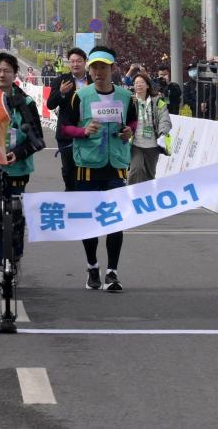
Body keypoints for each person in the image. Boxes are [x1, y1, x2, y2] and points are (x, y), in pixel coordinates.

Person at [61, 45, 136, 292]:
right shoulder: (80, 96)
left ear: (112, 69)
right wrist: (83, 131)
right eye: (94, 68)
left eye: (103, 67)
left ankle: (112, 272)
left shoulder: (125, 96)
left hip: (116, 165)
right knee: (90, 221)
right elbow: (64, 127)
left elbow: (133, 121)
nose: (98, 72)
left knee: (115, 220)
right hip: (87, 166)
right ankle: (92, 266)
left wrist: (129, 131)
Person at [0, 52, 45, 288]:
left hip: (18, 170)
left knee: (16, 218)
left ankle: (15, 259)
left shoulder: (26, 103)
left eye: (6, 70)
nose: (1, 74)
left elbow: (37, 139)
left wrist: (17, 153)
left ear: (14, 74)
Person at [47, 47, 90, 191]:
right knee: (69, 169)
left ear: (85, 62)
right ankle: (70, 194)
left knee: (88, 168)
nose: (75, 64)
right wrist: (61, 93)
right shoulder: (61, 80)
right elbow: (50, 104)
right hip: (66, 133)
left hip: (89, 132)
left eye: (79, 61)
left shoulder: (93, 80)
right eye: (72, 61)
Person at [128, 72, 171, 185]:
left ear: (147, 85)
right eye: (136, 83)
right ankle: (131, 193)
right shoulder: (130, 101)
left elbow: (165, 119)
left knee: (149, 176)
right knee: (136, 169)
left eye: (142, 82)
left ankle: (148, 194)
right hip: (136, 145)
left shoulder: (158, 101)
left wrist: (163, 133)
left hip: (153, 145)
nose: (139, 85)